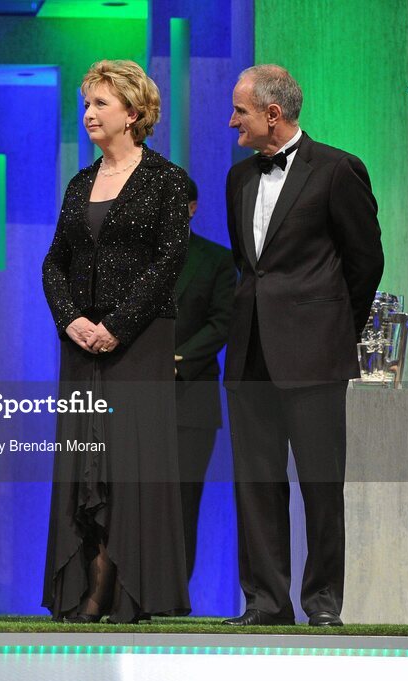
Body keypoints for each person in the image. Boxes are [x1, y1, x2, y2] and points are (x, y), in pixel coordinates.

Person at [222, 65, 384, 627]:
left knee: (319, 485)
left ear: (272, 113)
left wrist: (335, 331)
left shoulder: (338, 169)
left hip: (314, 354)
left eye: (240, 110)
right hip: (249, 353)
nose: (231, 120)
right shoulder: (239, 177)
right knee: (256, 483)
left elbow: (366, 263)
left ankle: (321, 604)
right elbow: (249, 267)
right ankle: (265, 602)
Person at [41, 59, 191, 624]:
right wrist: (71, 319)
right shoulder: (81, 182)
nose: (89, 114)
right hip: (82, 344)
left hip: (138, 343)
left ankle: (117, 591)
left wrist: (117, 325)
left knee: (127, 464)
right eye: (86, 104)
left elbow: (169, 260)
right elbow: (55, 260)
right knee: (85, 461)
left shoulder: (165, 180)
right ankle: (84, 583)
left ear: (133, 112)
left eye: (100, 103)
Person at [174, 177, 235, 580]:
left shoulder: (217, 260)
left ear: (192, 208)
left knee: (183, 499)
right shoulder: (133, 261)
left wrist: (178, 360)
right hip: (135, 396)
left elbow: (222, 322)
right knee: (132, 498)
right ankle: (128, 595)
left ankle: (174, 596)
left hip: (191, 396)